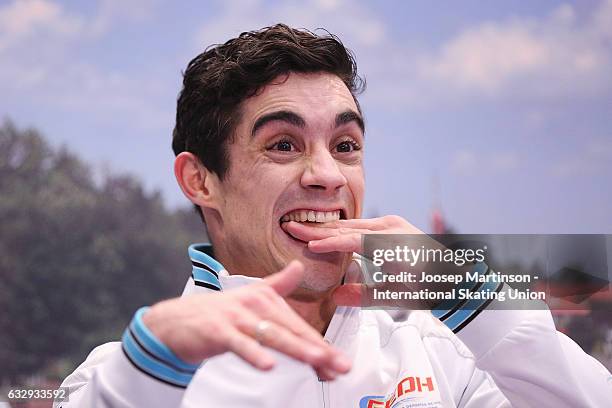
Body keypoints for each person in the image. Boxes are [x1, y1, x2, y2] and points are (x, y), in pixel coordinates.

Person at [55, 24, 611, 407]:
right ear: (200, 181)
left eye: (345, 145)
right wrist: (145, 377)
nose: (327, 174)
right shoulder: (129, 375)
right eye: (282, 145)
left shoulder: (438, 352)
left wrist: (472, 296)